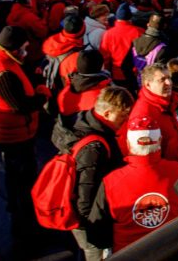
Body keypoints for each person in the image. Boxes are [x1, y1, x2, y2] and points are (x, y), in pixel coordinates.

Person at [0, 25, 52, 249]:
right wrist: (41, 94)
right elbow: (19, 105)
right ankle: (26, 227)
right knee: (22, 181)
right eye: (22, 49)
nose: (25, 52)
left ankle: (22, 214)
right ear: (12, 49)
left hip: (15, 131)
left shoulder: (4, 62)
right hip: (15, 134)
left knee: (18, 179)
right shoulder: (3, 72)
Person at [51, 86, 134, 261]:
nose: (126, 119)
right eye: (123, 114)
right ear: (107, 113)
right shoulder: (95, 148)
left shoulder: (82, 123)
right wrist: (96, 234)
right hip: (88, 223)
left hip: (78, 216)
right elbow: (85, 196)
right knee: (93, 254)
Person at [87, 115, 178, 252]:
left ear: (128, 144)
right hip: (175, 252)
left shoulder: (111, 182)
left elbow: (96, 235)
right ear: (159, 141)